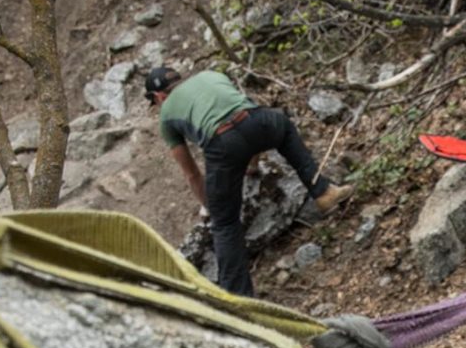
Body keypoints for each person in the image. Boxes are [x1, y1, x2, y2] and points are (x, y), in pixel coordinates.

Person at [144, 66, 353, 295]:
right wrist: (252, 167)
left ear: (159, 97)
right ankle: (322, 191)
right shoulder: (211, 75)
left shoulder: (166, 116)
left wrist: (211, 207)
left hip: (222, 143)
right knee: (282, 127)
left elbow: (191, 173)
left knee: (225, 225)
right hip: (259, 122)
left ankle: (237, 296)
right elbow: (242, 114)